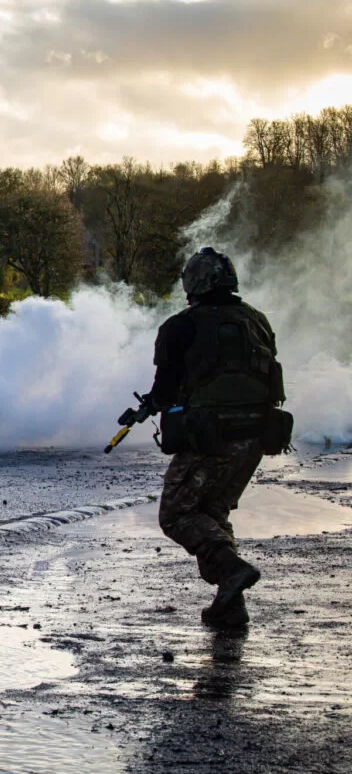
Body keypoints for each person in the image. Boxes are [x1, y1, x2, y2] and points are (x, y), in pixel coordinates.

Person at [144, 247, 287, 628]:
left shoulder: (181, 326)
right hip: (255, 436)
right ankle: (231, 604)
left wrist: (151, 406)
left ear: (194, 283)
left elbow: (165, 389)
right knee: (212, 512)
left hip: (210, 436)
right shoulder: (256, 320)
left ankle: (233, 570)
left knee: (176, 513)